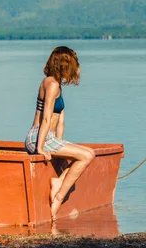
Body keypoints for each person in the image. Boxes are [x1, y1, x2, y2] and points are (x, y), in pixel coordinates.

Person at [24, 46, 96, 221]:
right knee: (88, 156)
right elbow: (47, 118)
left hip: (50, 137)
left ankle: (58, 182)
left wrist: (61, 146)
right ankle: (58, 198)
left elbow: (60, 121)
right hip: (38, 137)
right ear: (63, 65)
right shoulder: (51, 84)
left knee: (86, 153)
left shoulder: (57, 85)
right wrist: (40, 148)